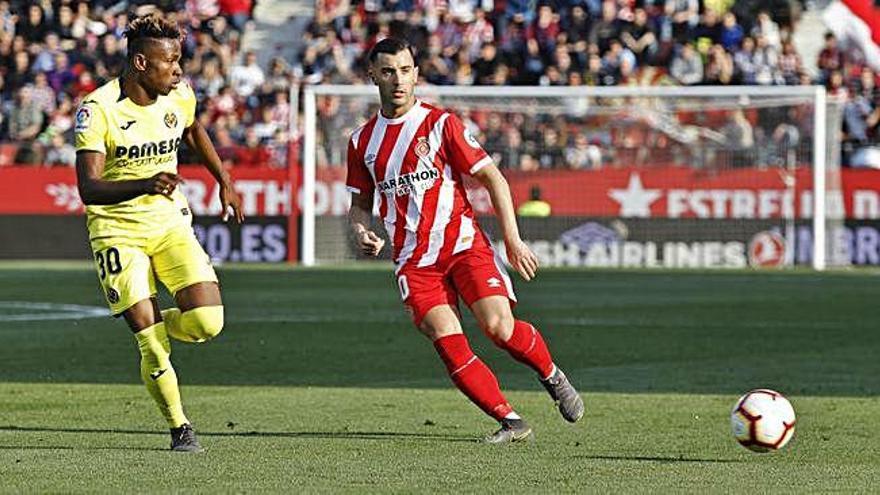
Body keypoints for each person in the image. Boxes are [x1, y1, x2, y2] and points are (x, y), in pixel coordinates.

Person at [346, 38, 583, 444]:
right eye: (388, 72)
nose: (398, 80)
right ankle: (511, 421)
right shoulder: (361, 142)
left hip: (462, 245)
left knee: (498, 328)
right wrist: (360, 231)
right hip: (413, 261)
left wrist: (512, 239)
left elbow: (493, 177)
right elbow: (360, 205)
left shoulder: (441, 124)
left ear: (416, 74)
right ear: (373, 76)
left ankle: (551, 374)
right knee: (446, 337)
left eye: (405, 70)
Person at [74, 14, 244, 453]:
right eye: (169, 61)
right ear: (140, 63)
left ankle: (152, 325)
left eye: (179, 59)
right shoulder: (98, 110)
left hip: (169, 223)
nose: (179, 69)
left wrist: (223, 179)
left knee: (208, 322)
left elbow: (192, 128)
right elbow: (89, 188)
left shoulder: (179, 96)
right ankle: (180, 426)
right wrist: (145, 183)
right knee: (150, 342)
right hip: (116, 233)